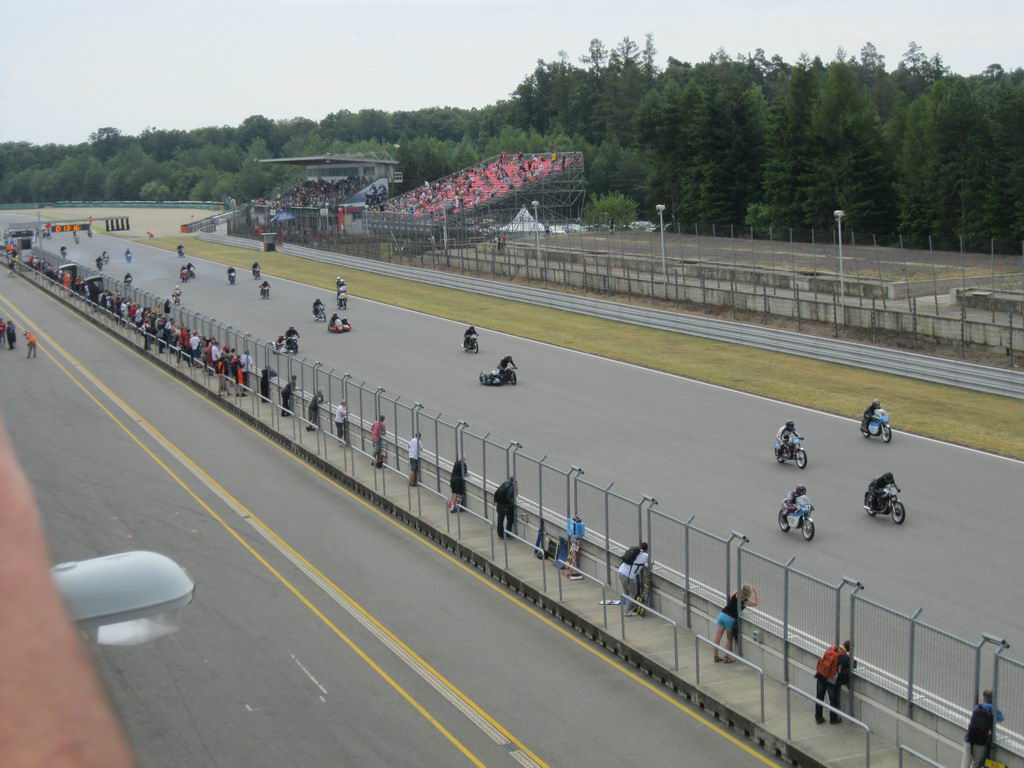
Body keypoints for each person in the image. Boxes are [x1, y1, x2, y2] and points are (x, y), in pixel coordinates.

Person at [712, 584, 760, 662]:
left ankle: (715, 656)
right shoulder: (744, 601)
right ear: (749, 593)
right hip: (730, 619)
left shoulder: (735, 593)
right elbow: (756, 603)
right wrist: (755, 591)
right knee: (729, 639)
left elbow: (732, 598)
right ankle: (726, 657)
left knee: (717, 637)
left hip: (722, 615)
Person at [962, 690, 1003, 768]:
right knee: (976, 764)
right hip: (981, 741)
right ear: (993, 699)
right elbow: (1001, 718)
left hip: (969, 739)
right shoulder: (994, 709)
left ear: (984, 698)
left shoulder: (978, 707)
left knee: (965, 763)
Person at [814, 641, 852, 724]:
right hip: (830, 680)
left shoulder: (831, 648)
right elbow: (845, 672)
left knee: (819, 697)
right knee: (833, 700)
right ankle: (833, 719)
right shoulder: (845, 657)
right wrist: (843, 683)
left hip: (821, 675)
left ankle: (818, 718)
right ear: (849, 650)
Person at [617, 542, 649, 615]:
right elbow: (651, 563)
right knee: (633, 593)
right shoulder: (646, 555)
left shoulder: (634, 552)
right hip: (629, 576)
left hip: (620, 571)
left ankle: (624, 606)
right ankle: (627, 612)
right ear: (647, 549)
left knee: (626, 592)